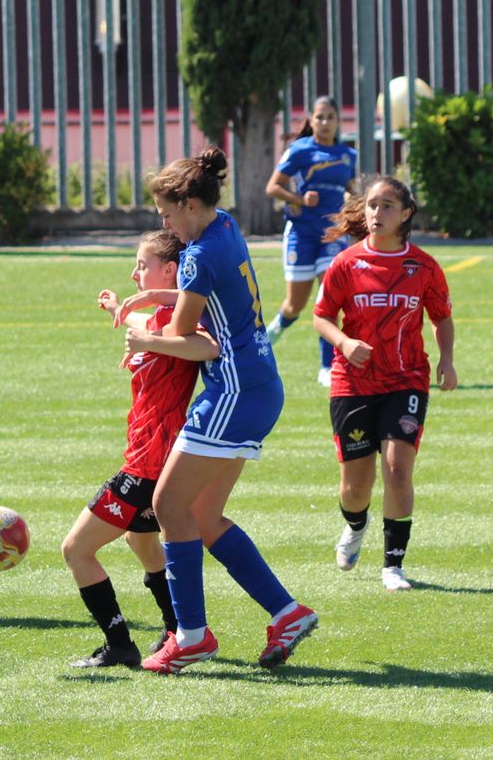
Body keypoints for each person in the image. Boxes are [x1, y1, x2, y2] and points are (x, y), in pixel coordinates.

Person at [115, 147, 318, 673]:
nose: (163, 223)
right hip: (259, 384)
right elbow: (199, 303)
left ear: (189, 204)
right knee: (202, 516)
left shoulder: (202, 253)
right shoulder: (223, 226)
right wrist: (148, 301)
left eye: (166, 212)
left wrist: (139, 334)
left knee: (169, 506)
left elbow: (185, 335)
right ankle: (287, 613)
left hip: (232, 392)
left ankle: (191, 636)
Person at [60, 230, 213, 669]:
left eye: (142, 265)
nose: (134, 273)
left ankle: (119, 643)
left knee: (76, 550)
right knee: (142, 540)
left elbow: (204, 346)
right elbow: (147, 326)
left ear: (169, 270)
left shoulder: (180, 316)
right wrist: (119, 308)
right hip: (151, 458)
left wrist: (147, 340)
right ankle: (176, 630)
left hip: (148, 463)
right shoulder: (163, 316)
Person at [311, 176, 457, 592]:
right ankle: (355, 526)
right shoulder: (346, 263)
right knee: (355, 488)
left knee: (396, 469)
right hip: (352, 384)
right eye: (373, 205)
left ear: (406, 213)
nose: (377, 213)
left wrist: (446, 360)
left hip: (406, 379)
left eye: (388, 205)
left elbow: (441, 317)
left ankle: (393, 565)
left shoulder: (424, 266)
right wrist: (343, 340)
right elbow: (321, 315)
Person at [263, 96, 357, 387]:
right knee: (294, 305)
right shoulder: (300, 150)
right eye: (320, 117)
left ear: (339, 120)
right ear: (311, 120)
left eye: (330, 116)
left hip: (332, 234)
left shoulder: (347, 155)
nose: (325, 122)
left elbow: (352, 190)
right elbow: (273, 187)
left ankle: (327, 367)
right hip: (301, 233)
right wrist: (299, 199)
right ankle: (268, 339)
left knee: (328, 296)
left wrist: (353, 205)